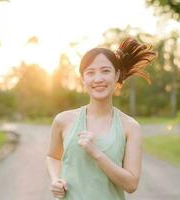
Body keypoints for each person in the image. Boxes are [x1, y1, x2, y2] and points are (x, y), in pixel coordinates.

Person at [46, 37, 157, 200]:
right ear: (83, 79)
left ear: (117, 75)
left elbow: (131, 184)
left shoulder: (130, 127)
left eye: (105, 71)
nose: (98, 79)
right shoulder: (63, 121)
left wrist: (96, 152)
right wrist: (56, 180)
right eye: (90, 73)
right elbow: (53, 157)